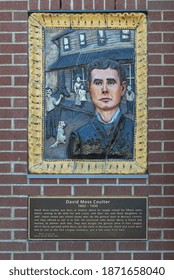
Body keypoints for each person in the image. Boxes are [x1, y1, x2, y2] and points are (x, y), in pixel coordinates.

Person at [68, 58, 134, 159]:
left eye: (111, 82)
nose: (104, 90)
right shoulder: (79, 136)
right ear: (89, 88)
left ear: (123, 88)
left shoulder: (137, 132)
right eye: (98, 83)